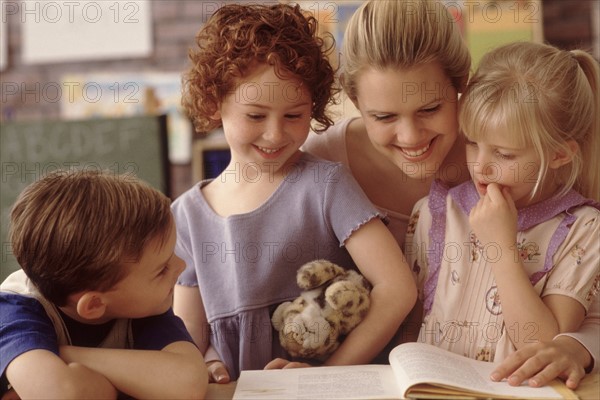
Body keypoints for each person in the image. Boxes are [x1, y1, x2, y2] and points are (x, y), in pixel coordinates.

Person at [302, 0, 599, 388]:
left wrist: (580, 347)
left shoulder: (533, 155)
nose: (410, 137)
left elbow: (569, 325)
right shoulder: (330, 167)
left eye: (429, 108)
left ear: (462, 86)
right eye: (384, 116)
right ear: (356, 103)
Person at [172, 2, 417, 384]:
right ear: (214, 101)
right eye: (255, 115)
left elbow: (397, 288)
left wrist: (328, 377)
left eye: (294, 115)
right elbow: (187, 338)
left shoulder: (327, 185)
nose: (275, 134)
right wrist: (207, 362)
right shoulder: (186, 215)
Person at [406, 39, 599, 371]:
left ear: (559, 154)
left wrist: (500, 247)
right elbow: (408, 331)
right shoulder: (434, 213)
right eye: (472, 143)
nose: (481, 165)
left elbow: (543, 345)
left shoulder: (583, 229)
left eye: (504, 154)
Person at [0, 169, 208, 399]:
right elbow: (63, 394)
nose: (182, 266)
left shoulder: (143, 304)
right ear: (94, 304)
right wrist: (128, 385)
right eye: (161, 270)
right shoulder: (15, 309)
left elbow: (188, 383)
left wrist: (65, 356)